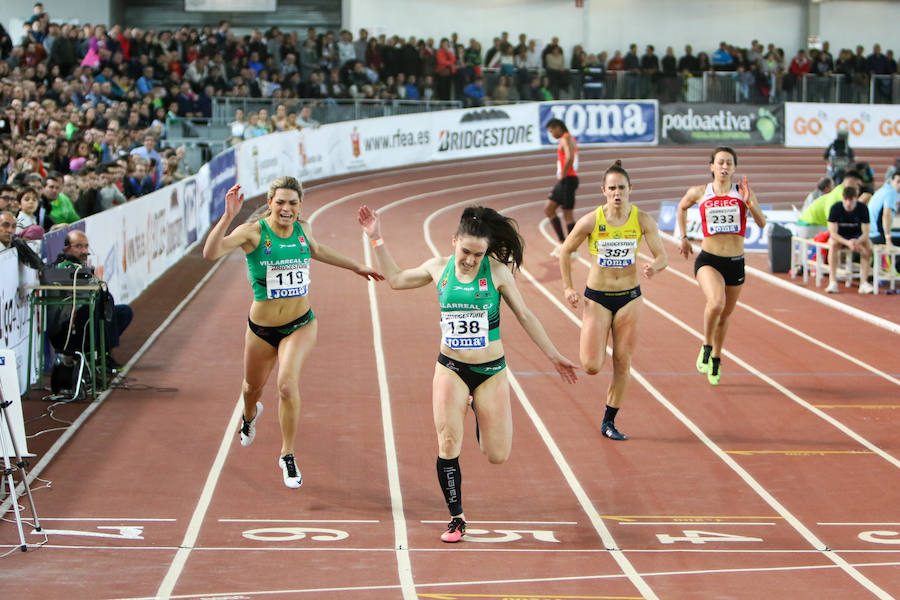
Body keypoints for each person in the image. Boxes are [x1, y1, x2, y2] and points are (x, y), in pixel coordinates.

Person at [357, 204, 577, 543]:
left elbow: (526, 316)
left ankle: (479, 415)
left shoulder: (498, 274)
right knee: (447, 442)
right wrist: (376, 239)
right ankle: (456, 518)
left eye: (478, 254)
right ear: (453, 242)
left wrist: (554, 355)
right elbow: (398, 281)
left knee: (497, 455)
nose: (471, 260)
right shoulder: (437, 269)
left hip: (490, 371)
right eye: (465, 252)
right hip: (451, 368)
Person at [203, 177, 383, 489]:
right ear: (270, 203)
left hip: (300, 323)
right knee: (251, 389)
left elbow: (318, 249)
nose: (287, 208)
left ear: (300, 205)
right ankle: (249, 415)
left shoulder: (303, 228)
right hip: (261, 329)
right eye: (281, 202)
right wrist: (229, 216)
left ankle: (287, 454)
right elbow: (211, 253)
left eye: (293, 203)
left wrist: (356, 266)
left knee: (286, 385)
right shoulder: (253, 233)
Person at [558, 161, 667, 440]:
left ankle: (609, 421)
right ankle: (595, 339)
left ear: (631, 189)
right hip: (597, 297)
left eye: (622, 188)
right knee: (592, 366)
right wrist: (568, 287)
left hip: (630, 297)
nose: (617, 193)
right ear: (604, 191)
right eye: (612, 188)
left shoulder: (642, 220)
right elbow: (565, 250)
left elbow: (662, 255)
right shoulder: (592, 220)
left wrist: (655, 265)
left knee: (622, 360)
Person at [677, 147, 766, 385]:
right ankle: (706, 346)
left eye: (729, 163)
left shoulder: (743, 192)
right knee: (716, 303)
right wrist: (684, 237)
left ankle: (716, 357)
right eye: (720, 163)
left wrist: (749, 204)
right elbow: (682, 207)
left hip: (735, 262)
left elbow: (761, 223)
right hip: (709, 260)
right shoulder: (700, 192)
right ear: (712, 166)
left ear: (734, 168)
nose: (724, 167)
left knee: (725, 316)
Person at [50, 230, 133, 369]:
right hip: (71, 324)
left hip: (89, 314)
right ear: (67, 248)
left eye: (86, 246)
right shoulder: (63, 267)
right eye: (79, 246)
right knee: (99, 305)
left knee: (124, 311)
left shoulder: (83, 267)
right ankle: (99, 355)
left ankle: (102, 352)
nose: (84, 251)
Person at [826, 185, 873, 294]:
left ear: (855, 199)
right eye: (845, 200)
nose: (848, 203)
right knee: (833, 245)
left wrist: (857, 242)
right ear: (843, 198)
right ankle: (832, 281)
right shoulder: (835, 208)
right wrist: (847, 243)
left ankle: (864, 282)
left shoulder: (862, 209)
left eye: (851, 200)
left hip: (857, 237)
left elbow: (866, 233)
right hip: (841, 237)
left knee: (868, 247)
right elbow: (833, 233)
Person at [797, 170, 866, 240]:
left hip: (807, 225)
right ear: (851, 181)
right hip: (808, 226)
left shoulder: (838, 190)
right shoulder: (842, 195)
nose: (858, 189)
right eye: (858, 185)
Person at [545, 118, 578, 257]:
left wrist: (563, 175)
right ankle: (563, 242)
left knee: (567, 215)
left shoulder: (566, 138)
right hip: (565, 180)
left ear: (558, 127)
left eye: (552, 131)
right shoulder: (564, 139)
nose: (552, 134)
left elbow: (570, 157)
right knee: (549, 209)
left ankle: (572, 249)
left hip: (568, 180)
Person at [868, 170, 900, 247]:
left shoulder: (881, 190)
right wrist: (888, 238)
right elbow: (886, 215)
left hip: (871, 233)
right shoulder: (892, 193)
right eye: (898, 182)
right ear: (891, 181)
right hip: (879, 235)